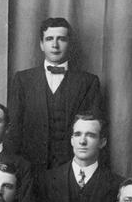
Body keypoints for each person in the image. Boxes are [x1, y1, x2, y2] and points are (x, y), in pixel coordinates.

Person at [7, 17, 103, 171]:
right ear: (41, 44)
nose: (55, 45)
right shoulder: (23, 80)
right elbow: (14, 131)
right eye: (49, 39)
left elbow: (92, 129)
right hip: (30, 169)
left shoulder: (88, 82)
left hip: (71, 170)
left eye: (61, 39)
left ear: (69, 43)